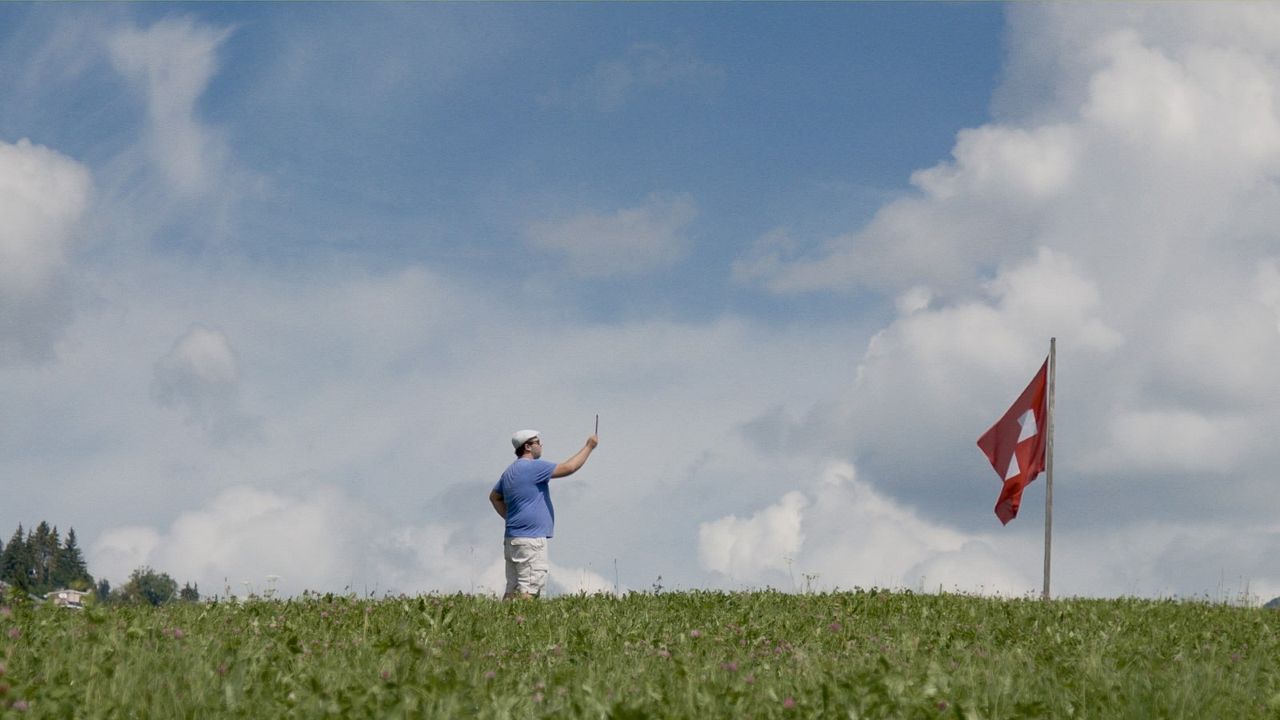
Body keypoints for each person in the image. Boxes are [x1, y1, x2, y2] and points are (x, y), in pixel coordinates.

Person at [489, 428, 598, 599]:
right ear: (528, 447)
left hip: (512, 539)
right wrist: (589, 446)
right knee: (530, 590)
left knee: (512, 590)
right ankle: (526, 625)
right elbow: (570, 467)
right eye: (538, 442)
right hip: (531, 541)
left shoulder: (509, 472)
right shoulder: (533, 467)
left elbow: (494, 497)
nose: (541, 445)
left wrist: (510, 517)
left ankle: (505, 622)